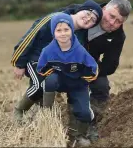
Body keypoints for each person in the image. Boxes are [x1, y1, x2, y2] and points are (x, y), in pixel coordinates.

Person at [11, 0, 102, 124]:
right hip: (35, 60)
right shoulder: (54, 18)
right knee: (40, 84)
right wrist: (19, 63)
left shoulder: (82, 35)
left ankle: (46, 112)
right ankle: (19, 110)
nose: (87, 19)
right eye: (87, 13)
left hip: (57, 66)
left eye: (92, 20)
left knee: (54, 84)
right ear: (79, 10)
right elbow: (30, 37)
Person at [57, 0, 132, 142]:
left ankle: (89, 125)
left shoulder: (118, 36)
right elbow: (47, 26)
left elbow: (110, 65)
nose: (112, 23)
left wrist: (87, 71)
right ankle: (38, 110)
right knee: (47, 81)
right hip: (59, 60)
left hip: (88, 66)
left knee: (101, 86)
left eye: (118, 22)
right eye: (111, 16)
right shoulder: (82, 13)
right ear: (104, 9)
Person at [37, 13, 98, 147]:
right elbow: (41, 68)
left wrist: (83, 81)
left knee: (84, 113)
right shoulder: (48, 50)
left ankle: (79, 135)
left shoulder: (80, 51)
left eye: (66, 29)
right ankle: (47, 112)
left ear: (72, 30)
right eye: (59, 30)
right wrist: (54, 72)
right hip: (59, 82)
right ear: (53, 32)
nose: (63, 33)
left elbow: (93, 68)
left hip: (77, 84)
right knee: (50, 80)